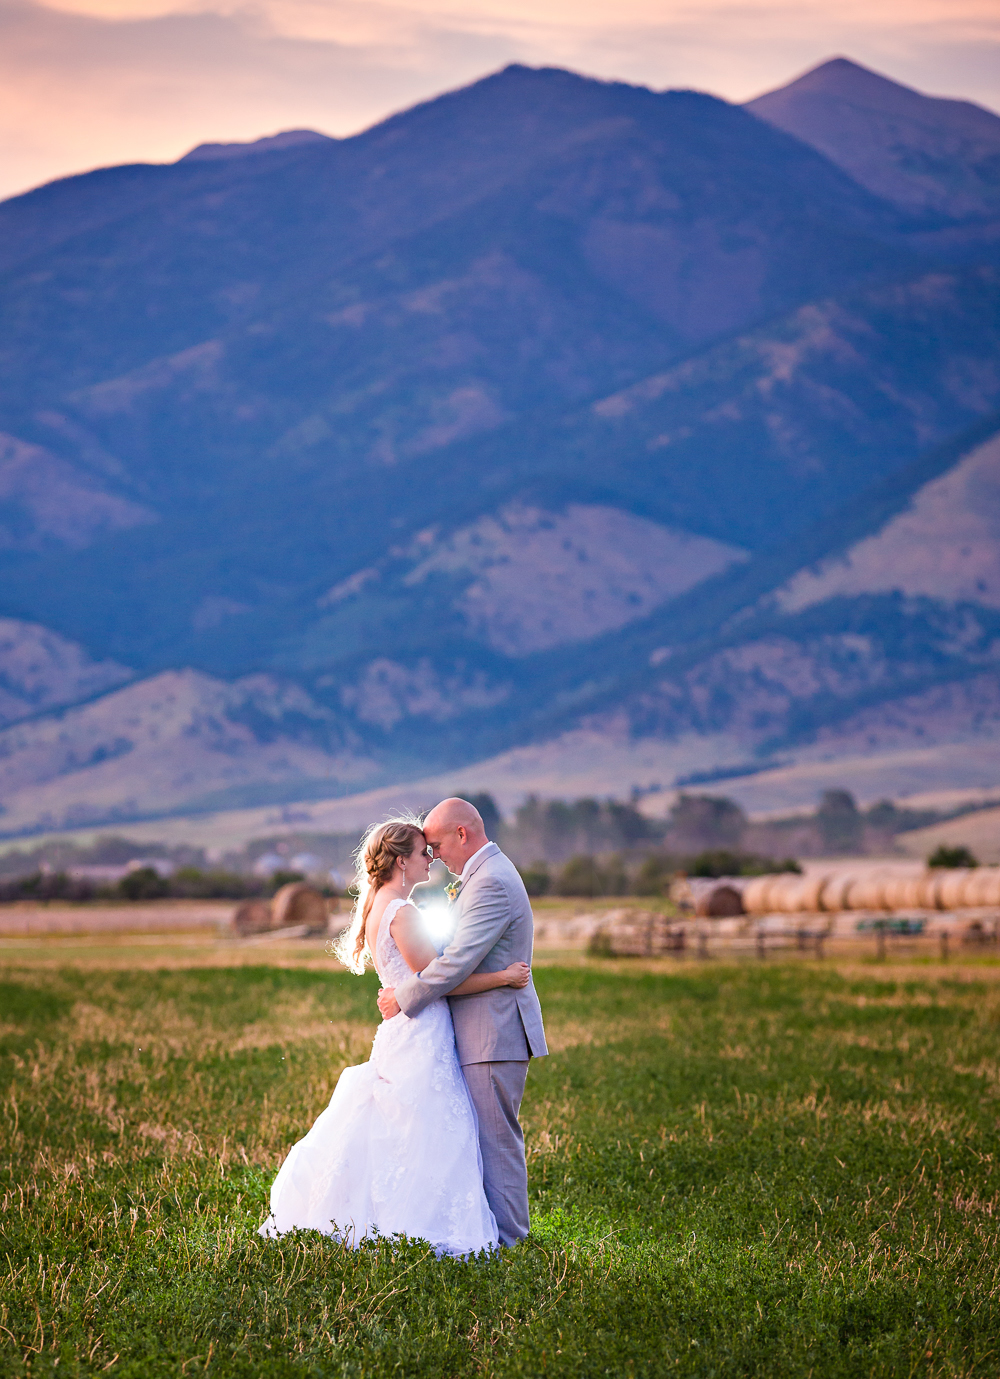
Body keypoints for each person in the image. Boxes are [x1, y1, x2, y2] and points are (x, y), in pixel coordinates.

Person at [259, 818, 531, 1256]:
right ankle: (417, 1226)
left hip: (406, 1027)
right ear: (402, 860)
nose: (432, 860)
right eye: (425, 853)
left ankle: (395, 1223)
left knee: (406, 1126)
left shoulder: (379, 905)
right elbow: (442, 980)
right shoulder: (402, 913)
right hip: (422, 1031)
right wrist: (502, 976)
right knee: (426, 1129)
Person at [377, 797, 547, 1246]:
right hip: (481, 1031)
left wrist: (404, 996)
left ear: (462, 835)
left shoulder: (490, 881)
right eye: (424, 850)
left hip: (493, 1033)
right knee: (485, 1141)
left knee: (496, 1143)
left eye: (434, 845)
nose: (432, 857)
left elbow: (454, 963)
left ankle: (511, 1245)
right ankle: (492, 1238)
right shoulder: (482, 876)